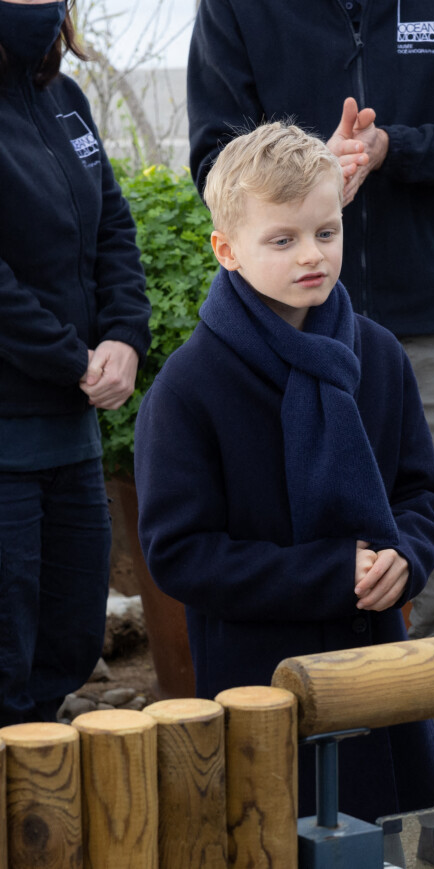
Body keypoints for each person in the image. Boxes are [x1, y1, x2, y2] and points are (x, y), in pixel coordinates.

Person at [186, 3, 434, 867]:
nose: (310, 242)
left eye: (320, 231)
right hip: (286, 339)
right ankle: (289, 818)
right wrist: (311, 177)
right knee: (310, 589)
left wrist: (391, 150)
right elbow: (212, 154)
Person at [134, 121, 434, 862]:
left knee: (396, 838)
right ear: (227, 250)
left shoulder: (377, 353)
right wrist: (326, 573)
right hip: (260, 678)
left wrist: (405, 555)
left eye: (326, 231)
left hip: (378, 667)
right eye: (283, 239)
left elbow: (421, 492)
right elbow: (180, 552)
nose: (312, 254)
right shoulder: (189, 389)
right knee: (277, 841)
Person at [0, 0, 151, 727]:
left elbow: (114, 227)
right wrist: (72, 357)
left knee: (65, 640)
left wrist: (123, 335)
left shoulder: (67, 100)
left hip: (72, 432)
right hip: (9, 433)